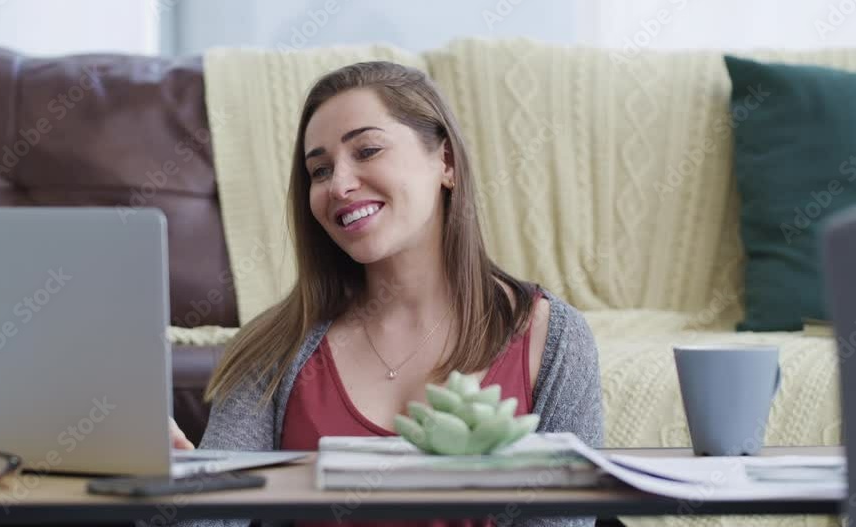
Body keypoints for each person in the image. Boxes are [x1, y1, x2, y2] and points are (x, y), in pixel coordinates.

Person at [173, 61, 603, 527]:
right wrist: (172, 491)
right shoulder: (274, 346)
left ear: (447, 163)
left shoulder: (553, 339)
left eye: (368, 149)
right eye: (319, 170)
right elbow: (212, 520)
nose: (338, 184)